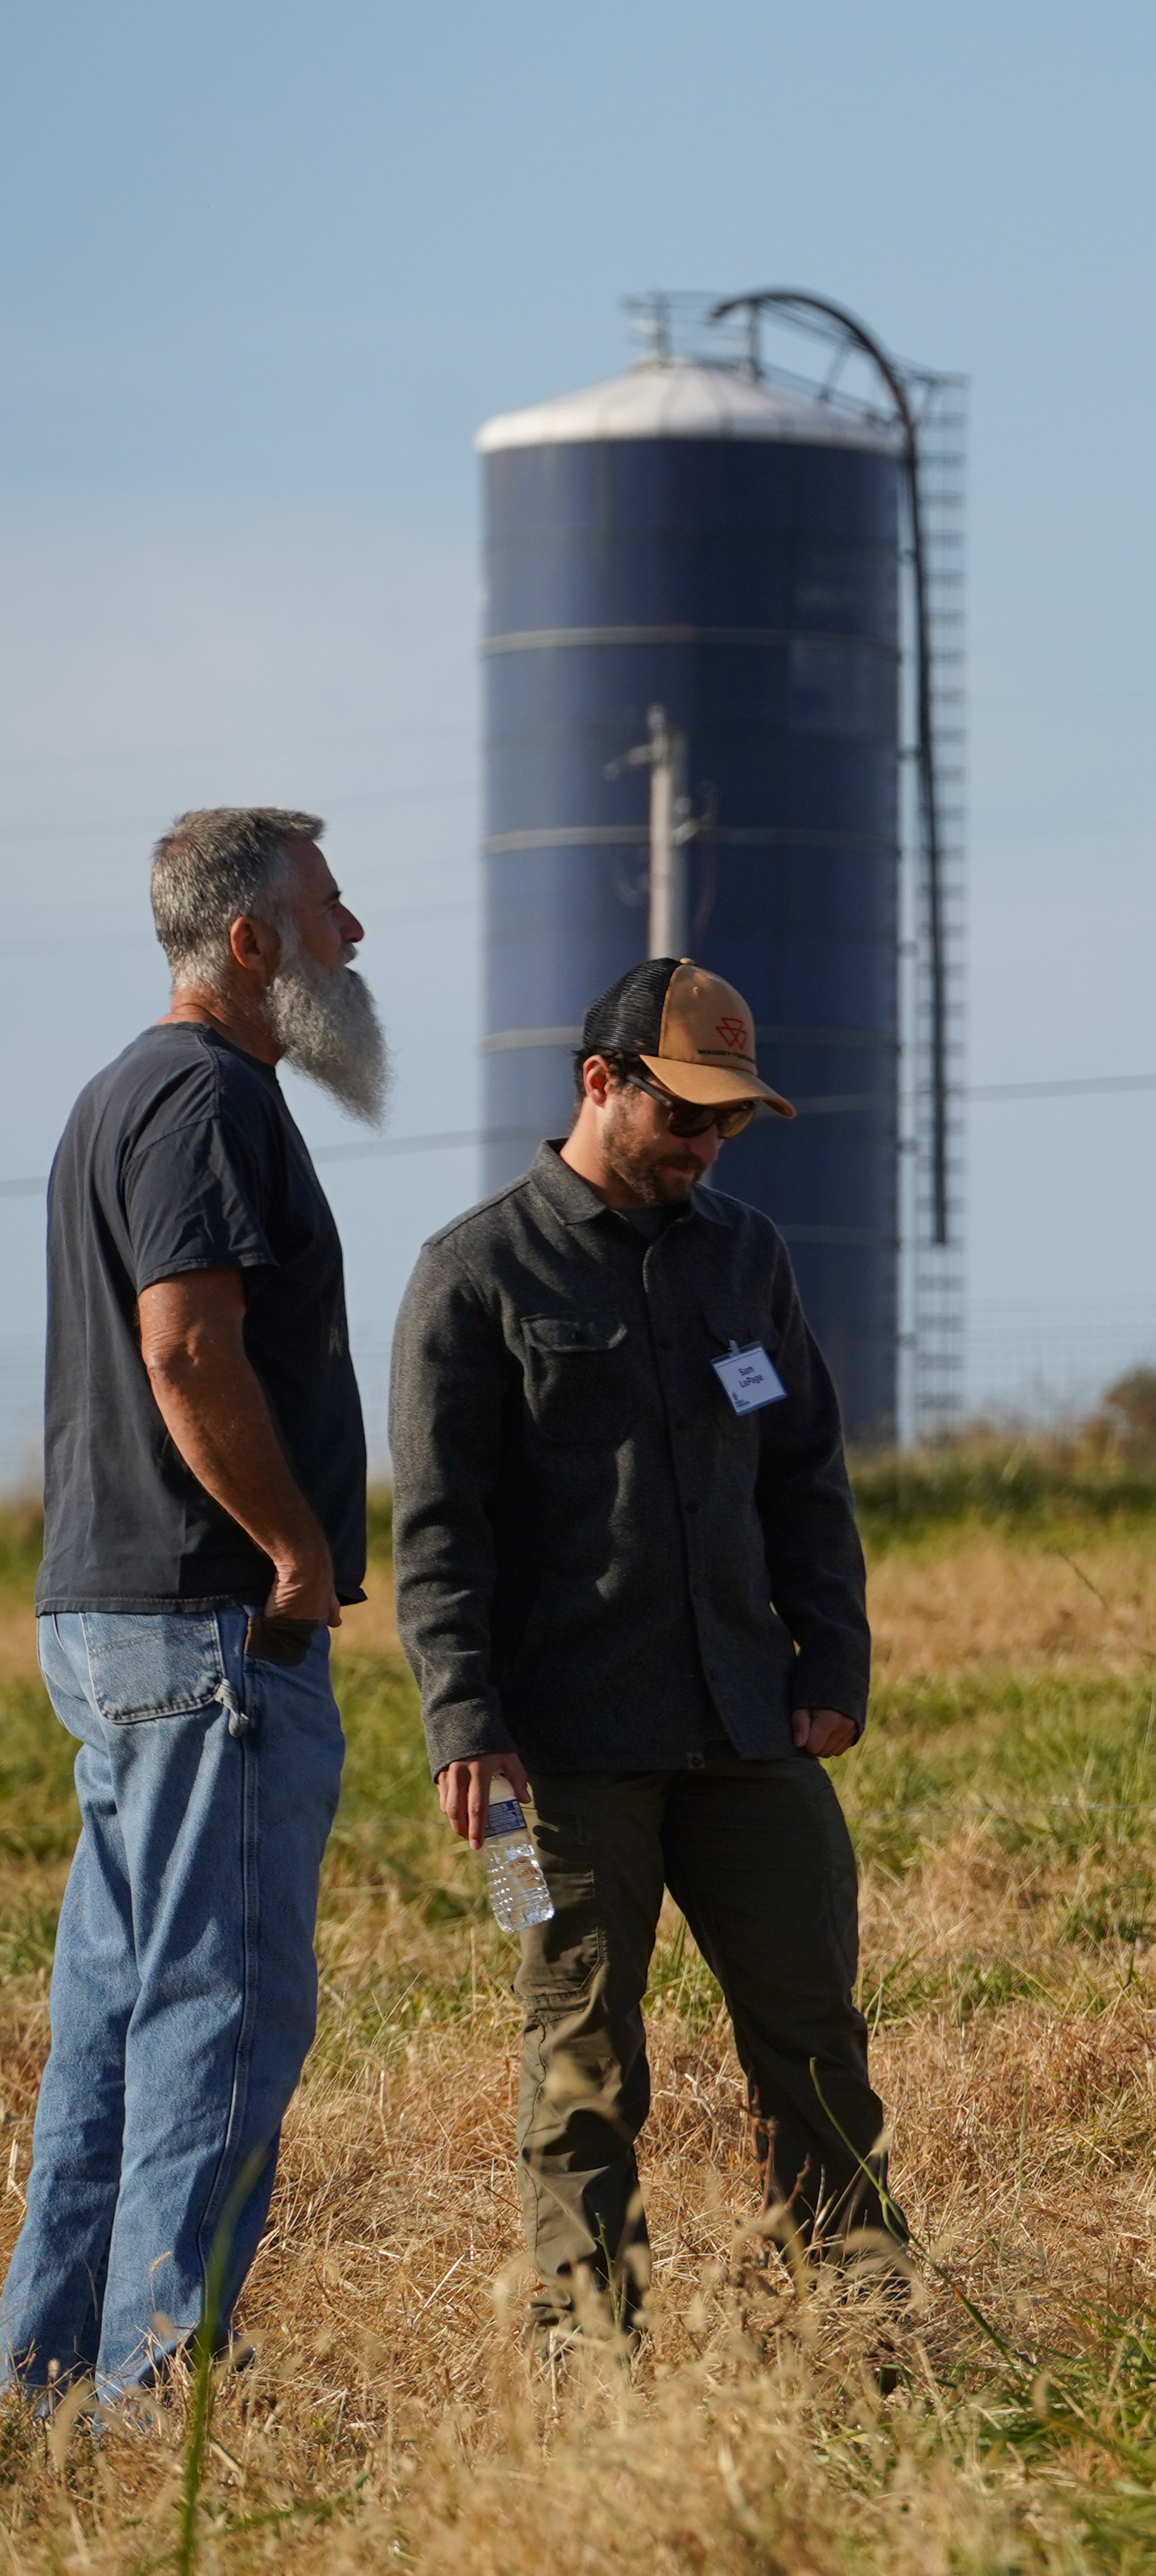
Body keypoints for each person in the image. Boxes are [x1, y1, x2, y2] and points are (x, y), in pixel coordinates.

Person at [390, 957, 900, 2337]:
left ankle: (859, 2317)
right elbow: (440, 1535)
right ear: (599, 1083)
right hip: (550, 1765)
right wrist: (464, 1723)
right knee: (579, 2055)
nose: (706, 1146)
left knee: (817, 2037)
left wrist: (832, 1669)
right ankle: (584, 2358)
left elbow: (807, 1474)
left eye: (727, 1122)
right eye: (685, 1115)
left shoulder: (749, 1256)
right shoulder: (474, 1270)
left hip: (751, 1735)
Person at [10, 808, 386, 2397]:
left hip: (117, 1623)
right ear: (250, 943)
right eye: (328, 906)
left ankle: (41, 2391)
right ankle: (152, 2408)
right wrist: (295, 1552)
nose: (353, 935)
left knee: (115, 2020)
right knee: (221, 2024)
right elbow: (184, 1347)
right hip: (205, 1633)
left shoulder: (119, 1093)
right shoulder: (203, 1096)